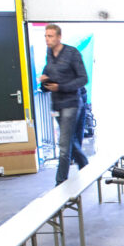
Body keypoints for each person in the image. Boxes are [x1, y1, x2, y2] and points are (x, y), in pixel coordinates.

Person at [39, 24, 89, 185]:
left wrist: (60, 87)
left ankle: (60, 182)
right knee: (69, 141)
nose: (47, 39)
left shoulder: (72, 53)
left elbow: (83, 79)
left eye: (51, 36)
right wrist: (45, 82)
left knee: (63, 145)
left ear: (59, 37)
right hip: (57, 104)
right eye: (46, 36)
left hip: (71, 103)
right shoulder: (49, 54)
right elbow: (49, 73)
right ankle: (86, 167)